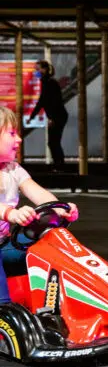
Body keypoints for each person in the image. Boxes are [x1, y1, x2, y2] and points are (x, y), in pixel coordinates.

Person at [0, 106, 78, 303]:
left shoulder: (13, 169)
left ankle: (66, 297)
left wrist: (61, 209)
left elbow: (40, 194)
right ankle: (4, 308)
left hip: (4, 243)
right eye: (12, 133)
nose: (19, 139)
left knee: (51, 244)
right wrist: (11, 214)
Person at [28, 60, 68, 171]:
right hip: (57, 116)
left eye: (38, 69)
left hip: (58, 116)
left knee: (53, 142)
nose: (36, 72)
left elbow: (54, 102)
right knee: (53, 142)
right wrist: (32, 116)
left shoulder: (50, 83)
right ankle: (59, 166)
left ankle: (60, 166)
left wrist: (52, 118)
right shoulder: (46, 82)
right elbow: (42, 101)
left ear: (44, 69)